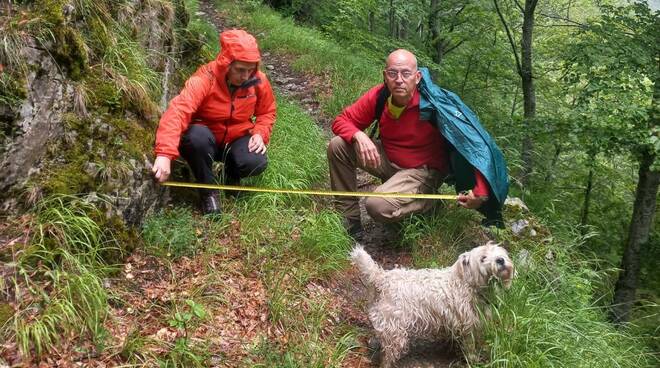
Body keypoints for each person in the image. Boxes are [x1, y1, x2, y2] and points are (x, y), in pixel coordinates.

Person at [328, 49, 506, 239]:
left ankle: (431, 205)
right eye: (392, 73)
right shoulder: (380, 97)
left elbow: (474, 144)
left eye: (406, 73)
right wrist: (358, 135)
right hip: (388, 159)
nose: (399, 79)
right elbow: (340, 121)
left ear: (417, 77)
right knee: (338, 146)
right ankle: (349, 221)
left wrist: (481, 191)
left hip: (423, 171)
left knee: (376, 205)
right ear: (385, 76)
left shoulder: (435, 105)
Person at [152, 29, 276, 215]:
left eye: (250, 70)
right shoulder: (205, 79)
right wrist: (164, 154)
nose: (245, 76)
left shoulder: (258, 81)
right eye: (240, 70)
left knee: (256, 161)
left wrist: (260, 133)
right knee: (196, 138)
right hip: (205, 139)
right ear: (226, 64)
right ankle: (208, 191)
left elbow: (267, 112)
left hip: (236, 138)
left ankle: (230, 177)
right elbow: (177, 112)